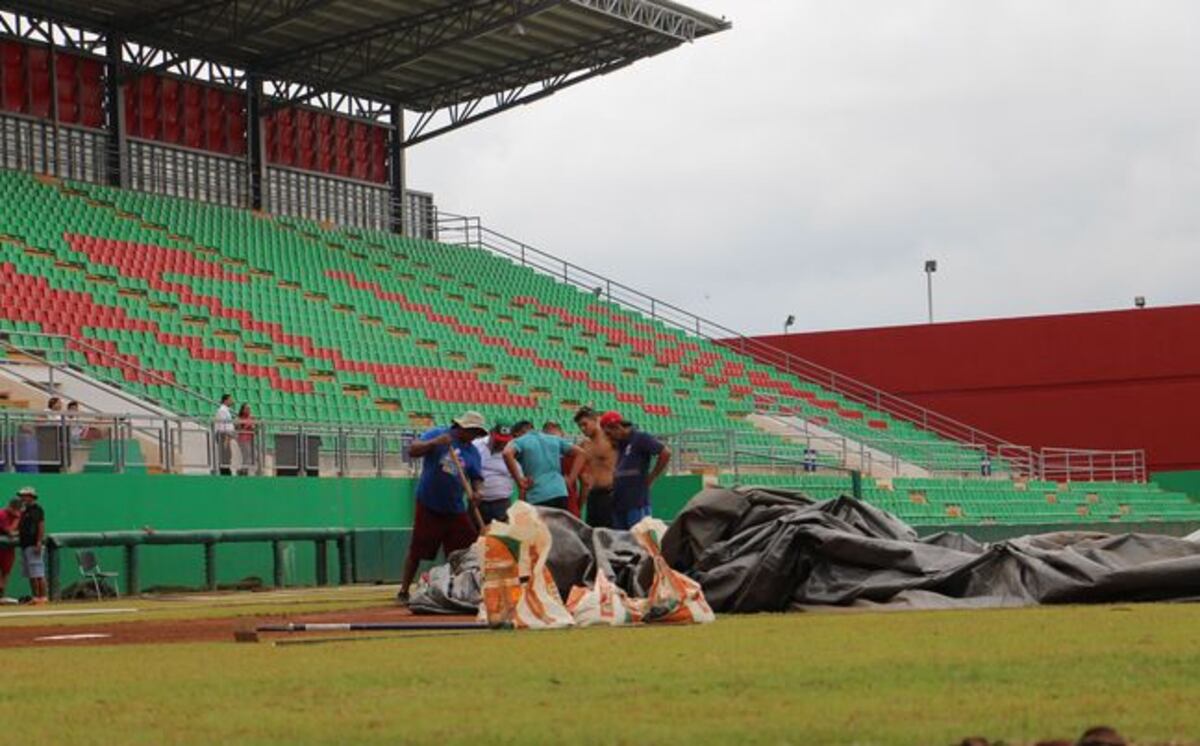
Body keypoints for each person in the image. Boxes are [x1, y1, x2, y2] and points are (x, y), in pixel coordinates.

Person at [397, 411, 488, 606]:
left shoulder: (472, 452)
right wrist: (435, 443)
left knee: (465, 552)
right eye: (472, 431)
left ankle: (460, 591)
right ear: (462, 427)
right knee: (418, 550)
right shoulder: (438, 434)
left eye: (477, 433)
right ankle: (403, 590)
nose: (474, 436)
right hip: (429, 503)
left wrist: (478, 492)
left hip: (455, 508)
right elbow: (413, 450)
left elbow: (477, 477)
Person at [600, 411, 671, 530]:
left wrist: (652, 477)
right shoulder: (622, 444)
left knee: (640, 539)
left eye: (608, 433)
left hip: (636, 502)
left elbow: (665, 453)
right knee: (621, 541)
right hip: (620, 502)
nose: (608, 437)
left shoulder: (640, 438)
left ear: (617, 427)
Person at [503, 420, 586, 512]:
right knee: (558, 525)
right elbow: (581, 453)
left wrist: (519, 481)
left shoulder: (520, 440)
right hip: (560, 493)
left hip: (538, 495)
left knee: (542, 526)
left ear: (516, 434)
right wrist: (571, 479)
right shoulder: (553, 439)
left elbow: (507, 453)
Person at [574, 406, 617, 528]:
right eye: (580, 426)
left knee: (611, 536)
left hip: (611, 494)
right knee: (593, 536)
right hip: (593, 496)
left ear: (596, 420)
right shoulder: (584, 445)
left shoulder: (611, 440)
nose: (583, 429)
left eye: (585, 424)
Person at [473, 422, 516, 525]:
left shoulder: (512, 450)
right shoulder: (476, 445)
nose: (501, 444)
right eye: (499, 440)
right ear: (491, 433)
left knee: (500, 537)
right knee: (475, 536)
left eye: (504, 441)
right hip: (478, 503)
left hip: (501, 503)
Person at [543, 421, 584, 518]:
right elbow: (585, 482)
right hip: (569, 508)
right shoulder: (574, 456)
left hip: (547, 508)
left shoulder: (540, 457)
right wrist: (578, 506)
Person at [16, 486, 46, 604]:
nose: (22, 498)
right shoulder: (24, 511)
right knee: (31, 574)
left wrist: (39, 542)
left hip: (33, 545)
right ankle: (35, 597)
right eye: (21, 496)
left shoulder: (37, 510)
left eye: (24, 496)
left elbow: (41, 526)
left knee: (38, 573)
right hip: (25, 545)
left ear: (30, 497)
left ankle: (43, 597)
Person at [0, 498, 21, 601]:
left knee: (6, 572)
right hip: (1, 547)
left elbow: (19, 532)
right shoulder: (2, 514)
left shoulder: (18, 515)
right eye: (15, 509)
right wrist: (17, 520)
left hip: (8, 549)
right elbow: (10, 531)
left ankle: (1, 596)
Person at [39, 397, 64, 473]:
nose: (60, 405)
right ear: (52, 404)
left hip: (57, 438)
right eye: (58, 403)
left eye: (61, 403)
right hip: (47, 439)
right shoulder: (46, 412)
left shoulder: (60, 415)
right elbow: (40, 423)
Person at [214, 394, 235, 476]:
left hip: (227, 436)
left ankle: (226, 470)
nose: (232, 401)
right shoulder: (222, 411)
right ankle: (224, 471)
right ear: (225, 400)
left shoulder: (226, 410)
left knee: (228, 455)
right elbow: (223, 425)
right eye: (230, 399)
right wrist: (226, 437)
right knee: (225, 455)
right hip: (224, 436)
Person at [236, 403, 256, 476]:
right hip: (243, 439)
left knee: (249, 456)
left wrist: (253, 427)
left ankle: (243, 470)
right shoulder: (239, 418)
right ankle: (243, 470)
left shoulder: (252, 418)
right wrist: (247, 426)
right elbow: (238, 428)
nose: (248, 410)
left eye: (249, 409)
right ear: (243, 410)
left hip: (250, 438)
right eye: (247, 409)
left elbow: (254, 429)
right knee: (246, 455)